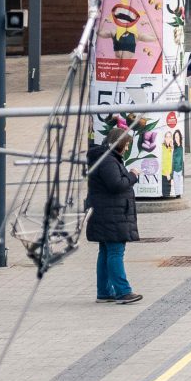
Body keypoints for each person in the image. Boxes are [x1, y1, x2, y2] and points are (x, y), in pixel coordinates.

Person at [85, 128, 143, 305]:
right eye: (126, 145)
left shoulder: (104, 158)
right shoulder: (108, 162)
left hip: (105, 212)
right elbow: (116, 185)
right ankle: (123, 292)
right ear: (120, 145)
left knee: (106, 252)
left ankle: (104, 292)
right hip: (111, 214)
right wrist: (132, 176)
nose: (126, 149)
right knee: (116, 252)